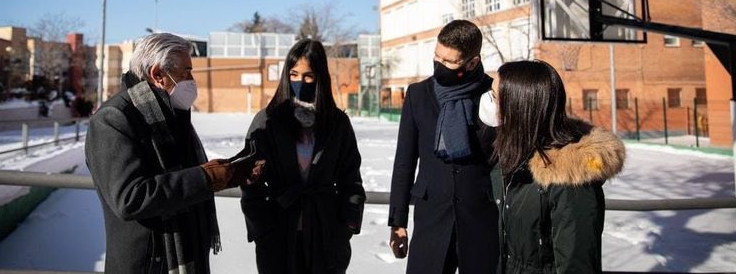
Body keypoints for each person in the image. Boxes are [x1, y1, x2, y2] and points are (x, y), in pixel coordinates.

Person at [86, 33, 264, 274]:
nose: (191, 80)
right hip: (149, 265)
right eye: (186, 72)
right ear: (158, 74)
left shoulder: (172, 116)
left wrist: (230, 173)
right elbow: (130, 198)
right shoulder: (114, 120)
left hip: (188, 257)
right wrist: (207, 178)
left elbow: (184, 177)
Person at [240, 38, 366, 274]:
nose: (300, 82)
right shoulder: (267, 120)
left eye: (308, 76)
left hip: (325, 235)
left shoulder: (337, 123)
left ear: (320, 78)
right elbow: (250, 180)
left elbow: (352, 180)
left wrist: (347, 225)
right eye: (294, 74)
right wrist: (262, 228)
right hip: (278, 234)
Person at [492, 60, 625, 273]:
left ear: (518, 105)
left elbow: (576, 261)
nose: (489, 103)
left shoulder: (568, 178)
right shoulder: (512, 154)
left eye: (494, 97)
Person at [388, 20, 499, 274]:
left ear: (472, 62)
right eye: (437, 57)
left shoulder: (493, 93)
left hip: (481, 219)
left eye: (449, 62)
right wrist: (398, 221)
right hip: (431, 219)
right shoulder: (418, 94)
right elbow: (404, 161)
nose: (440, 65)